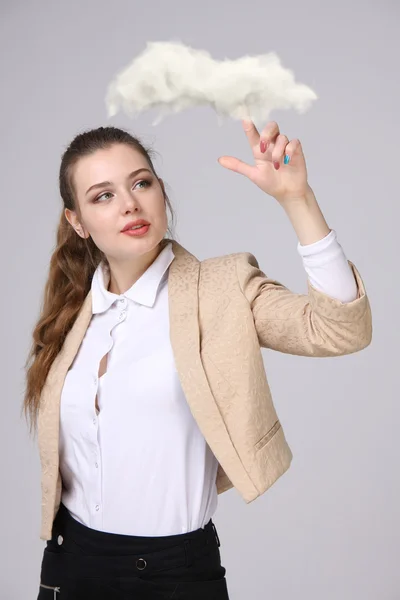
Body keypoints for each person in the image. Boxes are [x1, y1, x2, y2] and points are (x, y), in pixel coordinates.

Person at [24, 120, 372, 599]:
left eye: (141, 183)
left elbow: (340, 330)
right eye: (103, 195)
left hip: (173, 573)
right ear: (77, 222)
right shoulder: (73, 315)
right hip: (69, 563)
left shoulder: (222, 288)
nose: (129, 203)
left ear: (161, 193)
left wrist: (298, 199)